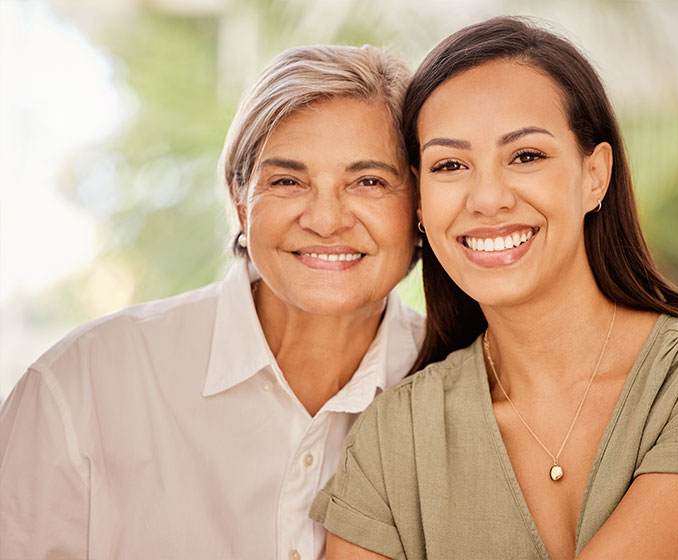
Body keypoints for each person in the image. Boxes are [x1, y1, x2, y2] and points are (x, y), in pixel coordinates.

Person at [311, 17, 678, 560]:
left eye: (526, 156)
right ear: (419, 202)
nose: (487, 199)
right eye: (450, 164)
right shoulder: (397, 433)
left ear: (595, 175)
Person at [0, 44, 424, 560]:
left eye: (369, 181)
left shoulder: (473, 390)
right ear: (242, 204)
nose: (326, 219)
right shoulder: (82, 386)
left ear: (421, 206)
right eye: (288, 181)